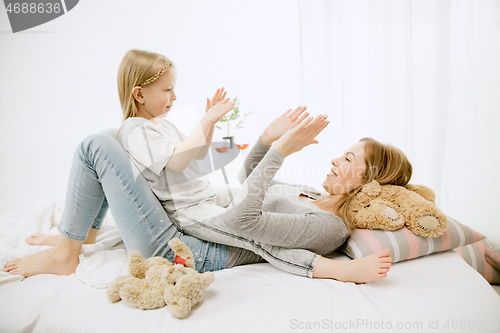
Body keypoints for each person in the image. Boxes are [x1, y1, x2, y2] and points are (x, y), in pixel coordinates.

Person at [3, 49, 399, 283]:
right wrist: (266, 139)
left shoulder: (331, 226)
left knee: (97, 145)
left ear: (369, 183)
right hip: (192, 218)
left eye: (347, 159)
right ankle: (81, 235)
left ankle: (66, 253)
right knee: (112, 135)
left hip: (186, 246)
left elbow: (245, 222)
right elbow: (248, 184)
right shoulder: (311, 196)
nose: (333, 158)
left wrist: (281, 152)